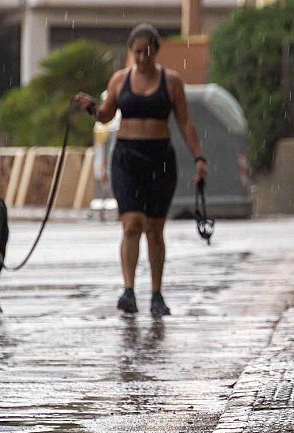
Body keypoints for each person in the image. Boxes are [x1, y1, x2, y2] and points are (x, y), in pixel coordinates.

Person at [74, 23, 207, 316]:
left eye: (147, 51)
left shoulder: (171, 82)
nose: (142, 57)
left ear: (157, 51)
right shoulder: (120, 80)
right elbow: (106, 116)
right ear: (130, 52)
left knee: (155, 229)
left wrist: (199, 157)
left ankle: (157, 294)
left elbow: (185, 123)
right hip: (127, 158)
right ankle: (129, 290)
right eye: (136, 51)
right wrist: (91, 108)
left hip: (160, 158)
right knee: (131, 223)